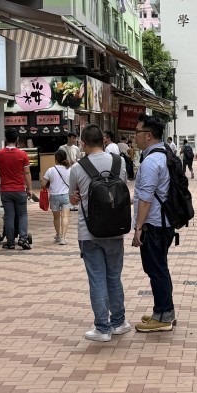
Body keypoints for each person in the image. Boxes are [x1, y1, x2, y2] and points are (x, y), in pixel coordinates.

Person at [69, 125, 131, 342]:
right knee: (114, 277)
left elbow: (73, 198)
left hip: (89, 233)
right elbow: (120, 190)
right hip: (116, 229)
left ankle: (102, 328)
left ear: (83, 143)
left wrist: (78, 197)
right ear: (104, 141)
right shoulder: (119, 162)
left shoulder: (77, 168)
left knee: (97, 280)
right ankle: (119, 322)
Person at [132, 114, 176, 332]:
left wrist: (138, 228)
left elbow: (146, 198)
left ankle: (164, 317)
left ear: (148, 135)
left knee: (156, 270)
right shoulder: (164, 154)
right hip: (164, 223)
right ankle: (163, 311)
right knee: (160, 268)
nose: (135, 137)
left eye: (137, 132)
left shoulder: (150, 162)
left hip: (154, 225)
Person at [0, 130, 32, 250]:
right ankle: (23, 238)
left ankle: (10, 242)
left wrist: (4, 176)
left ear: (6, 139)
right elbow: (27, 172)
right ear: (17, 139)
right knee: (22, 214)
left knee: (9, 215)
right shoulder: (22, 154)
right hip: (20, 189)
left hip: (5, 190)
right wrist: (29, 188)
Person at [42, 149, 73, 245]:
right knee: (65, 217)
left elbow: (43, 183)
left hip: (54, 196)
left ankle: (58, 235)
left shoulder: (51, 170)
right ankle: (63, 238)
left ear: (56, 159)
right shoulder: (70, 169)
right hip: (66, 195)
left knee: (56, 218)